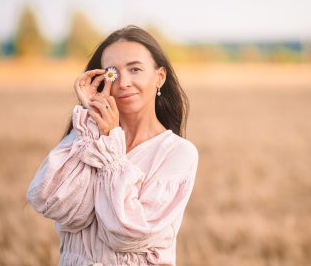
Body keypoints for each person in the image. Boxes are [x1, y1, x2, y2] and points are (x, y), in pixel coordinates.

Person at [26, 25, 199, 266]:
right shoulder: (86, 140)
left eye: (135, 69)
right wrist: (90, 127)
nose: (124, 82)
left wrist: (111, 146)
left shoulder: (177, 153)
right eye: (111, 73)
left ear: (160, 77)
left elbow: (126, 233)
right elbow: (48, 200)